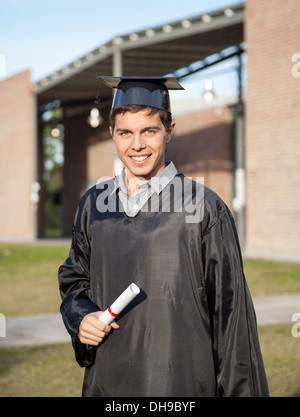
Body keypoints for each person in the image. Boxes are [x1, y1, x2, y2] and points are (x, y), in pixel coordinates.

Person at [58, 76, 269, 397]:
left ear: (169, 131)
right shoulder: (94, 205)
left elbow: (232, 317)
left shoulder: (204, 208)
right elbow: (75, 280)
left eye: (149, 131)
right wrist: (82, 316)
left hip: (183, 380)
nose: (137, 145)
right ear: (111, 134)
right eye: (125, 132)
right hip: (108, 381)